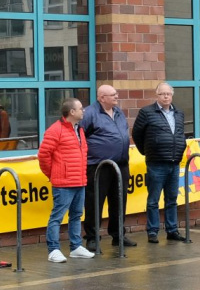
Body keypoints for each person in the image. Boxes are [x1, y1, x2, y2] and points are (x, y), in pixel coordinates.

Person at [132, 82, 190, 244]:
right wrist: (147, 151)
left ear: (172, 95)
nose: (166, 96)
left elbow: (180, 133)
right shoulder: (146, 112)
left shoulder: (179, 113)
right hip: (156, 163)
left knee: (172, 199)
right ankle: (152, 231)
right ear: (157, 95)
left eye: (168, 94)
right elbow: (136, 134)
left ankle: (172, 230)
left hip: (174, 162)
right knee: (153, 200)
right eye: (162, 94)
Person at [81, 84, 136, 252]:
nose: (116, 96)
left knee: (119, 200)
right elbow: (79, 137)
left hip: (121, 164)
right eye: (112, 94)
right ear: (101, 98)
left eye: (116, 93)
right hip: (98, 166)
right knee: (94, 202)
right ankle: (92, 238)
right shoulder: (89, 113)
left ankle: (118, 235)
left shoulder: (118, 112)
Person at [39, 96, 91, 263]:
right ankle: (53, 249)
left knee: (76, 215)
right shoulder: (55, 130)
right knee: (57, 217)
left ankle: (76, 246)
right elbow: (43, 155)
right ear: (72, 112)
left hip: (79, 181)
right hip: (63, 183)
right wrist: (54, 174)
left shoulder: (79, 129)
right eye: (80, 108)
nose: (83, 111)